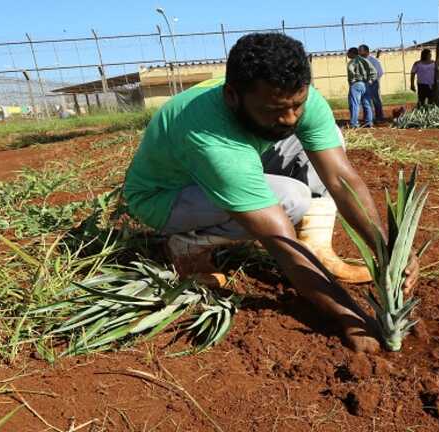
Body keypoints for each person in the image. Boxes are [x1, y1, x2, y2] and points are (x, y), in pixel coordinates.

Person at [123, 33, 418, 353]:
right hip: (165, 197)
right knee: (291, 198)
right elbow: (281, 244)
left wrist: (388, 246)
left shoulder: (292, 98)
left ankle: (318, 248)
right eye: (275, 110)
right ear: (232, 96)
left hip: (226, 163)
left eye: (297, 105)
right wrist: (348, 315)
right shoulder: (211, 137)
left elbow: (340, 178)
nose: (289, 118)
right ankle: (188, 243)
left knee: (325, 139)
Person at [346, 47, 377, 128]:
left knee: (355, 104)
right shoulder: (365, 60)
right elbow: (374, 72)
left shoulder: (352, 62)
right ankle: (369, 122)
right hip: (366, 84)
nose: (347, 54)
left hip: (356, 84)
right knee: (367, 103)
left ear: (352, 53)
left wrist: (352, 80)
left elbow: (350, 71)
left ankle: (354, 124)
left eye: (348, 53)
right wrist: (370, 81)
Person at [358, 44, 384, 122]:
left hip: (373, 83)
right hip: (363, 83)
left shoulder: (374, 60)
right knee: (365, 101)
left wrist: (372, 81)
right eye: (359, 51)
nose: (359, 53)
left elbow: (380, 72)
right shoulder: (359, 61)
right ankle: (368, 118)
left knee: (376, 100)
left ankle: (379, 117)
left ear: (366, 51)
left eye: (360, 51)